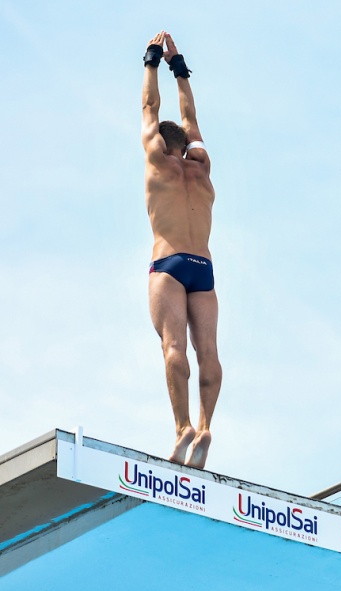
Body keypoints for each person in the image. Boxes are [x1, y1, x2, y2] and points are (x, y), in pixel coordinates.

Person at [141, 31, 221, 469]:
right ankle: (207, 427)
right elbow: (190, 118)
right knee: (208, 351)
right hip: (203, 268)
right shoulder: (202, 167)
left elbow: (149, 110)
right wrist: (178, 66)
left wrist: (150, 60)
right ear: (186, 146)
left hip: (169, 264)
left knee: (174, 347)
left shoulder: (156, 158)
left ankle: (182, 428)